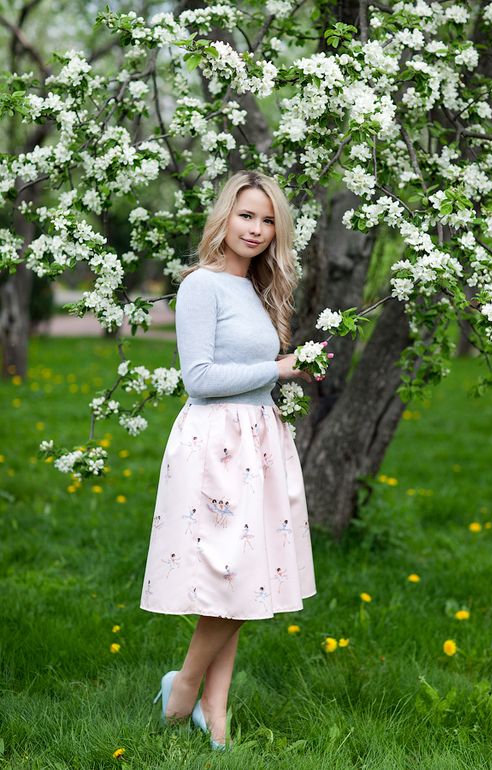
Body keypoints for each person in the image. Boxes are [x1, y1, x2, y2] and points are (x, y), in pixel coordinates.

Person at [140, 170, 316, 749]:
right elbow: (201, 378)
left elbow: (258, 367)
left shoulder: (259, 289)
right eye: (247, 215)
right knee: (229, 572)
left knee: (246, 577)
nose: (258, 229)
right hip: (216, 442)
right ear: (225, 216)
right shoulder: (202, 286)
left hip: (259, 438)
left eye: (268, 220)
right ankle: (184, 688)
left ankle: (215, 709)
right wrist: (279, 367)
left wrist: (292, 361)